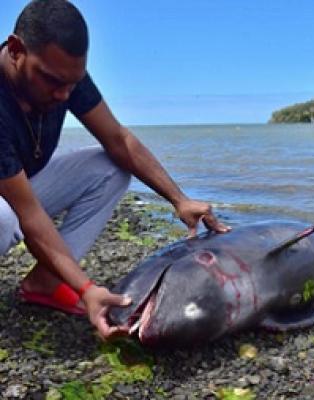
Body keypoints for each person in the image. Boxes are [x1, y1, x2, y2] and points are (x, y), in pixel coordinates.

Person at [0, 0, 230, 340]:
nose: (64, 95)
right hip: (7, 203)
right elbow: (29, 216)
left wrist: (179, 199)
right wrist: (86, 287)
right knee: (5, 217)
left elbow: (119, 140)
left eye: (72, 84)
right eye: (52, 81)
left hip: (17, 187)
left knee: (110, 167)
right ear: (17, 50)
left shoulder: (62, 75)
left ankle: (45, 283)